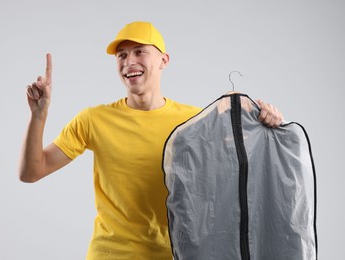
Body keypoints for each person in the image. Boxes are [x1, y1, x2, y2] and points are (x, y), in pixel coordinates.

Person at [19, 21, 283, 260]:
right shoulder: (93, 120)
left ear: (163, 60)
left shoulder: (195, 122)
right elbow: (32, 171)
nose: (128, 61)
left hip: (176, 256)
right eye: (121, 55)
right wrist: (39, 115)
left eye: (139, 52)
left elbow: (244, 168)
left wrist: (268, 124)